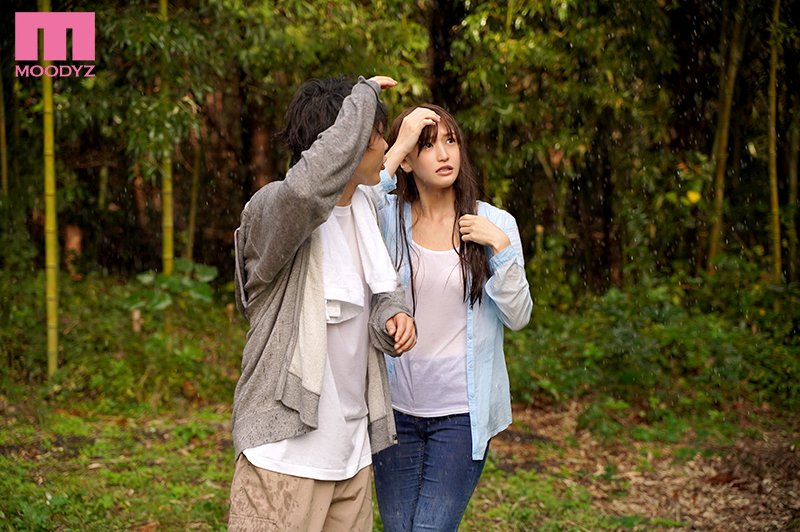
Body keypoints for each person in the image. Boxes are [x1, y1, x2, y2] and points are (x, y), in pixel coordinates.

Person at [227, 75, 416, 532]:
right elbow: (306, 190)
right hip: (283, 459)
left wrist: (391, 315)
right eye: (375, 134)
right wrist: (363, 95)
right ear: (343, 142)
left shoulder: (365, 210)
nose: (382, 143)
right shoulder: (274, 210)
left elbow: (375, 290)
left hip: (349, 458)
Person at [371, 104, 533, 531]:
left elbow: (518, 316)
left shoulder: (494, 223)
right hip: (394, 413)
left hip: (461, 417)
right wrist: (398, 144)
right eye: (426, 146)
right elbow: (351, 202)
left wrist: (502, 248)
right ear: (407, 160)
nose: (444, 154)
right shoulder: (386, 220)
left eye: (450, 141)